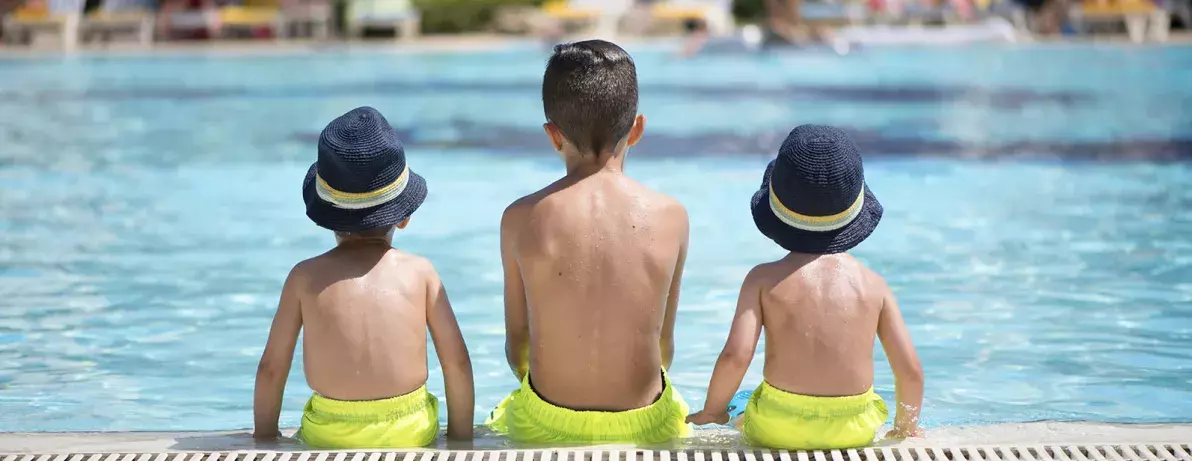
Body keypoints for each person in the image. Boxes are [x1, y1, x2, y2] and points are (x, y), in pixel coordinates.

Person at [486, 40, 693, 445]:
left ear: (552, 135)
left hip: (546, 421)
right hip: (647, 423)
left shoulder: (520, 217)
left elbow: (518, 346)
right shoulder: (672, 216)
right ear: (637, 129)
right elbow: (663, 347)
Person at [686, 125, 924, 450]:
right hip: (854, 429)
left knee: (740, 401)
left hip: (778, 426)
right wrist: (905, 428)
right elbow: (909, 370)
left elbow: (735, 356)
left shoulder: (763, 279)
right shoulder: (874, 286)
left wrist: (712, 412)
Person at [253, 106, 474, 448]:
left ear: (326, 216)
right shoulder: (421, 273)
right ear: (404, 217)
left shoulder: (304, 277)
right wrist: (461, 440)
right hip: (411, 430)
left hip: (329, 432)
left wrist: (264, 439)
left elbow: (271, 368)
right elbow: (457, 362)